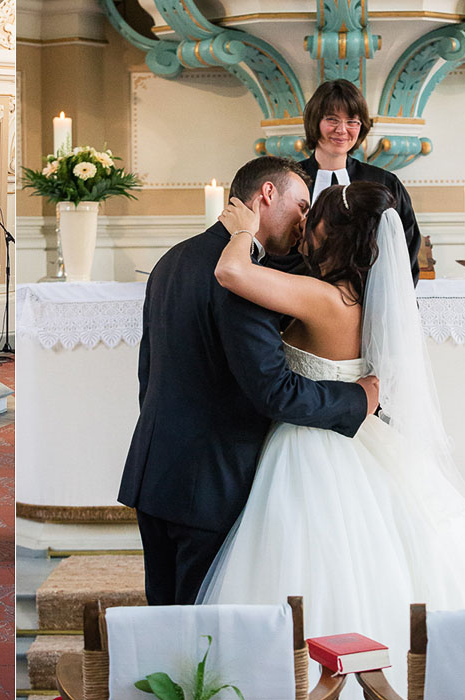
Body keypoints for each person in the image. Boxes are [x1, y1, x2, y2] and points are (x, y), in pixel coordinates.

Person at [199, 182, 465, 696]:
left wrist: (244, 232)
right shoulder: (362, 301)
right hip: (362, 439)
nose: (305, 225)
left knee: (308, 566)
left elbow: (231, 273)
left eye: (314, 219)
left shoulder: (322, 297)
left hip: (309, 447)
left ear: (331, 234)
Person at [117, 156, 379, 606]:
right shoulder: (244, 281)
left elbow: (148, 372)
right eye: (301, 206)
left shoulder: (172, 260)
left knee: (163, 620)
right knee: (200, 636)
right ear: (267, 196)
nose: (304, 221)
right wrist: (357, 399)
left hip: (155, 473)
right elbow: (274, 391)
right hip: (211, 484)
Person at [297, 79, 422, 284]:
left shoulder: (384, 183)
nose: (342, 130)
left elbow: (406, 249)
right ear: (314, 121)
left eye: (352, 121)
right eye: (332, 119)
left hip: (369, 298)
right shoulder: (289, 180)